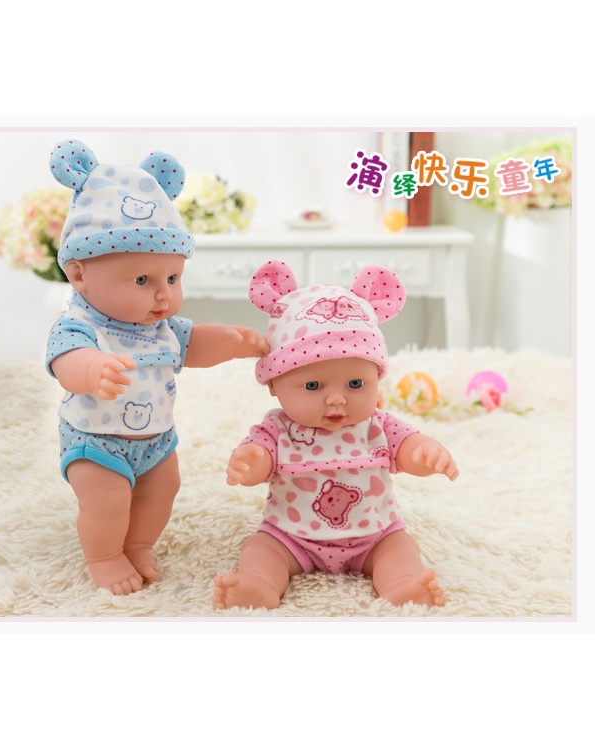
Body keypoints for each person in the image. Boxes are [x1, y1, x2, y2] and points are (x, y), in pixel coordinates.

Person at [46, 140, 268, 595]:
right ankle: (106, 556)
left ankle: (139, 544)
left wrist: (230, 341)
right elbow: (67, 362)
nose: (163, 294)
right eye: (142, 280)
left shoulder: (162, 327)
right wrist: (92, 370)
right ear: (79, 274)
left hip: (156, 441)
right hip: (96, 440)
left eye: (172, 278)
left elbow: (194, 343)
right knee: (107, 501)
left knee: (162, 490)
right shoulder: (80, 325)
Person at [213, 259, 458, 610]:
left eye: (356, 384)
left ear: (376, 378)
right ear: (273, 385)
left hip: (374, 535)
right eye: (313, 386)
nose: (337, 399)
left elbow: (407, 448)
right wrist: (251, 463)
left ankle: (402, 584)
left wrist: (424, 453)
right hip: (291, 537)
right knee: (261, 549)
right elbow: (262, 457)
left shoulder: (378, 425)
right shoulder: (278, 428)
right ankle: (258, 584)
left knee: (401, 547)